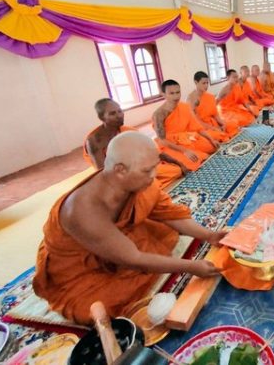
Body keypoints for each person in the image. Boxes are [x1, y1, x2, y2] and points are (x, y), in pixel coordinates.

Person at [33, 132, 225, 325]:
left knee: (163, 232)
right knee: (97, 308)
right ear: (120, 170)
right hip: (78, 269)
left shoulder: (138, 184)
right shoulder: (82, 210)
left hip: (112, 241)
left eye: (154, 167)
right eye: (147, 171)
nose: (154, 175)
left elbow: (169, 213)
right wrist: (192, 267)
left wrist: (210, 235)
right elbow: (135, 259)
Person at [83, 98, 187, 188]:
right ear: (102, 118)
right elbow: (103, 172)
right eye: (112, 113)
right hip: (118, 176)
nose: (119, 115)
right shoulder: (95, 140)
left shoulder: (129, 131)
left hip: (136, 167)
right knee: (146, 186)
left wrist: (179, 163)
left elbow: (153, 151)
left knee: (175, 171)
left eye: (120, 111)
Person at [153, 79, 221, 171]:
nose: (176, 96)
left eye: (178, 92)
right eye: (171, 93)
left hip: (186, 138)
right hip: (170, 145)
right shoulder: (159, 114)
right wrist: (184, 151)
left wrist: (211, 139)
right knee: (195, 160)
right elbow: (163, 141)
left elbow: (197, 127)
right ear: (163, 94)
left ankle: (195, 152)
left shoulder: (184, 107)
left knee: (212, 146)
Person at [187, 71, 239, 142]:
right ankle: (221, 136)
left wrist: (222, 123)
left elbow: (215, 115)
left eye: (207, 83)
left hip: (213, 123)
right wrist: (213, 128)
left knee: (233, 125)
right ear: (196, 82)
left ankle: (222, 135)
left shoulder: (210, 96)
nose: (206, 86)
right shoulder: (191, 99)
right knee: (217, 135)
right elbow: (196, 121)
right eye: (203, 83)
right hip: (201, 128)